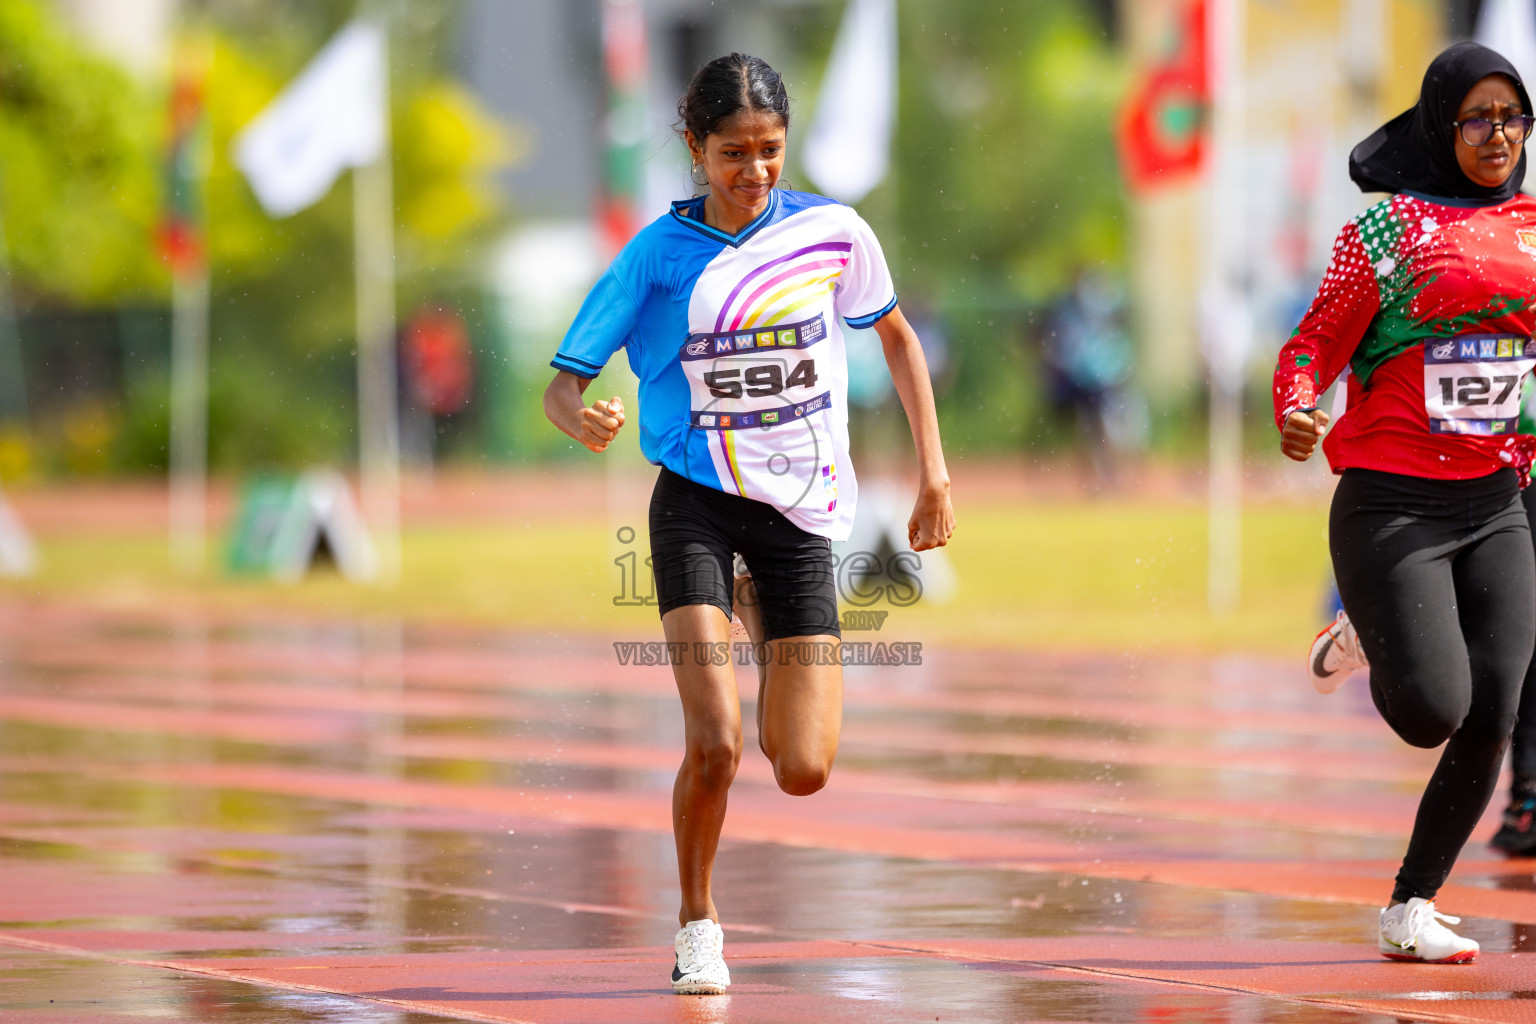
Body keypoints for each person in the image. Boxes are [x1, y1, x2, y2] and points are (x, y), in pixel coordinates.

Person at [543, 53, 955, 995]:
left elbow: (895, 339)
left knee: (802, 768)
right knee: (715, 742)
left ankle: (763, 610)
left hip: (798, 519)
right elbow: (563, 386)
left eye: (770, 151)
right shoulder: (656, 253)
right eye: (734, 154)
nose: (755, 172)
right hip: (693, 504)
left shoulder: (833, 233)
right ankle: (697, 920)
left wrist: (933, 472)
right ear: (694, 148)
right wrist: (585, 417)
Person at [1278, 42, 1536, 963]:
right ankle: (1365, 631)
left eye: (1512, 116)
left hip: (1498, 501)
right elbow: (1310, 346)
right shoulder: (1387, 232)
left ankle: (1410, 907)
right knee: (1433, 707)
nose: (1498, 134)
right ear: (1441, 123)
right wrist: (1297, 406)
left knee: (1494, 711)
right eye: (1478, 117)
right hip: (1393, 505)